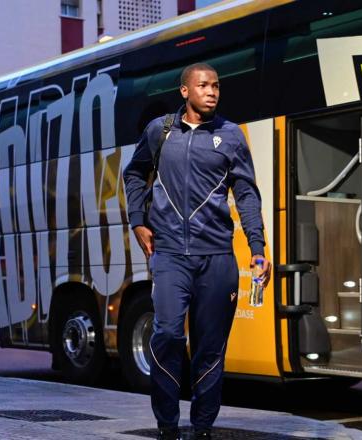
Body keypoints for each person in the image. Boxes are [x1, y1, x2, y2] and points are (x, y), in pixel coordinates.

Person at [123, 63, 271, 440]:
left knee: (210, 348)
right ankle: (167, 425)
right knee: (168, 335)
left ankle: (203, 427)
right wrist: (138, 220)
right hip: (170, 253)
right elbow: (135, 172)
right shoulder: (160, 131)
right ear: (185, 91)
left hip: (218, 256)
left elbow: (247, 194)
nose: (212, 91)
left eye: (216, 86)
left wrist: (257, 247)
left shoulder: (231, 136)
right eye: (203, 85)